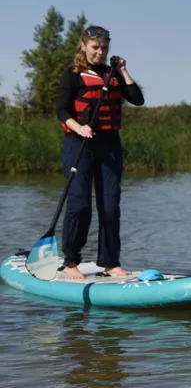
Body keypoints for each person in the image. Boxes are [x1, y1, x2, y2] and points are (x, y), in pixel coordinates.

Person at [56, 26, 144, 280]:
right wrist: (78, 127)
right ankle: (71, 261)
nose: (100, 52)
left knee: (110, 206)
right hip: (79, 144)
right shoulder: (72, 74)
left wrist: (123, 70)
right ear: (84, 46)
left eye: (104, 47)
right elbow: (62, 110)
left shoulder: (112, 74)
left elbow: (137, 99)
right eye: (95, 47)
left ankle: (110, 262)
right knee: (80, 205)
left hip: (109, 145)